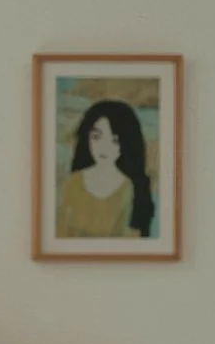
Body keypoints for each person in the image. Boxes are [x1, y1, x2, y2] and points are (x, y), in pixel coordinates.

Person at [56, 98, 156, 239]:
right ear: (87, 137)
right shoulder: (74, 182)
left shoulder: (130, 188)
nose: (104, 147)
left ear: (126, 142)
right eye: (96, 137)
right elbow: (61, 233)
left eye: (114, 140)